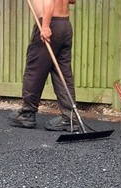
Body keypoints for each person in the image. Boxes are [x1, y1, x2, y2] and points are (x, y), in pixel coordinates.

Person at [10, 0, 80, 132]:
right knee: (63, 74)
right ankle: (69, 117)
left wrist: (46, 25)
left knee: (35, 70)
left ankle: (27, 114)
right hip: (65, 24)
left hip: (50, 23)